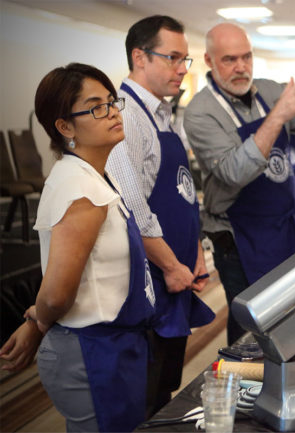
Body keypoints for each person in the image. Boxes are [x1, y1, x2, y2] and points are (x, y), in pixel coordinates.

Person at [184, 23, 295, 344]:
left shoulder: (271, 91)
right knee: (252, 326)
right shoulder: (201, 112)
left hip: (286, 227)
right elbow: (234, 171)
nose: (241, 67)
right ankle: (244, 384)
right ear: (208, 60)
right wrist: (277, 118)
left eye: (246, 57)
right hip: (238, 237)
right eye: (229, 60)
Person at [28, 63, 156, 432]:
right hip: (91, 353)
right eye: (96, 106)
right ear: (65, 127)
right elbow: (55, 295)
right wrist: (37, 321)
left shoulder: (93, 174)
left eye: (111, 101)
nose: (113, 112)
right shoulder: (81, 191)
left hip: (111, 345)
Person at [105, 15, 215, 416]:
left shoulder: (163, 113)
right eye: (173, 58)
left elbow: (183, 191)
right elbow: (133, 209)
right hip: (151, 282)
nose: (183, 70)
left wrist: (197, 254)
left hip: (177, 275)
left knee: (166, 385)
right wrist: (171, 265)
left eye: (185, 60)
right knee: (144, 395)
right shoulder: (125, 117)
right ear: (140, 57)